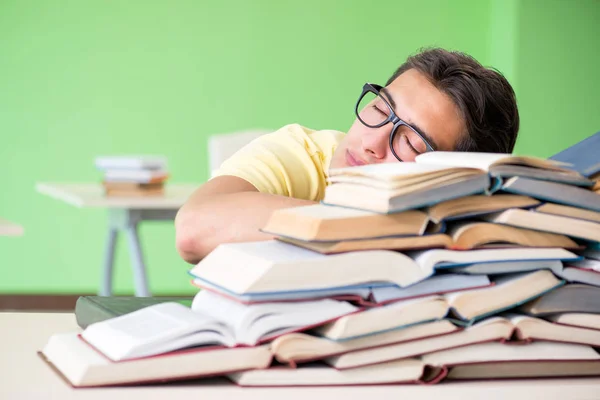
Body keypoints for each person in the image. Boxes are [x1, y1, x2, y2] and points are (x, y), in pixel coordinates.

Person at [175, 47, 520, 263]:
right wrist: (379, 227)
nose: (373, 141)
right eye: (379, 108)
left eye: (411, 143)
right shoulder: (302, 152)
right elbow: (193, 231)